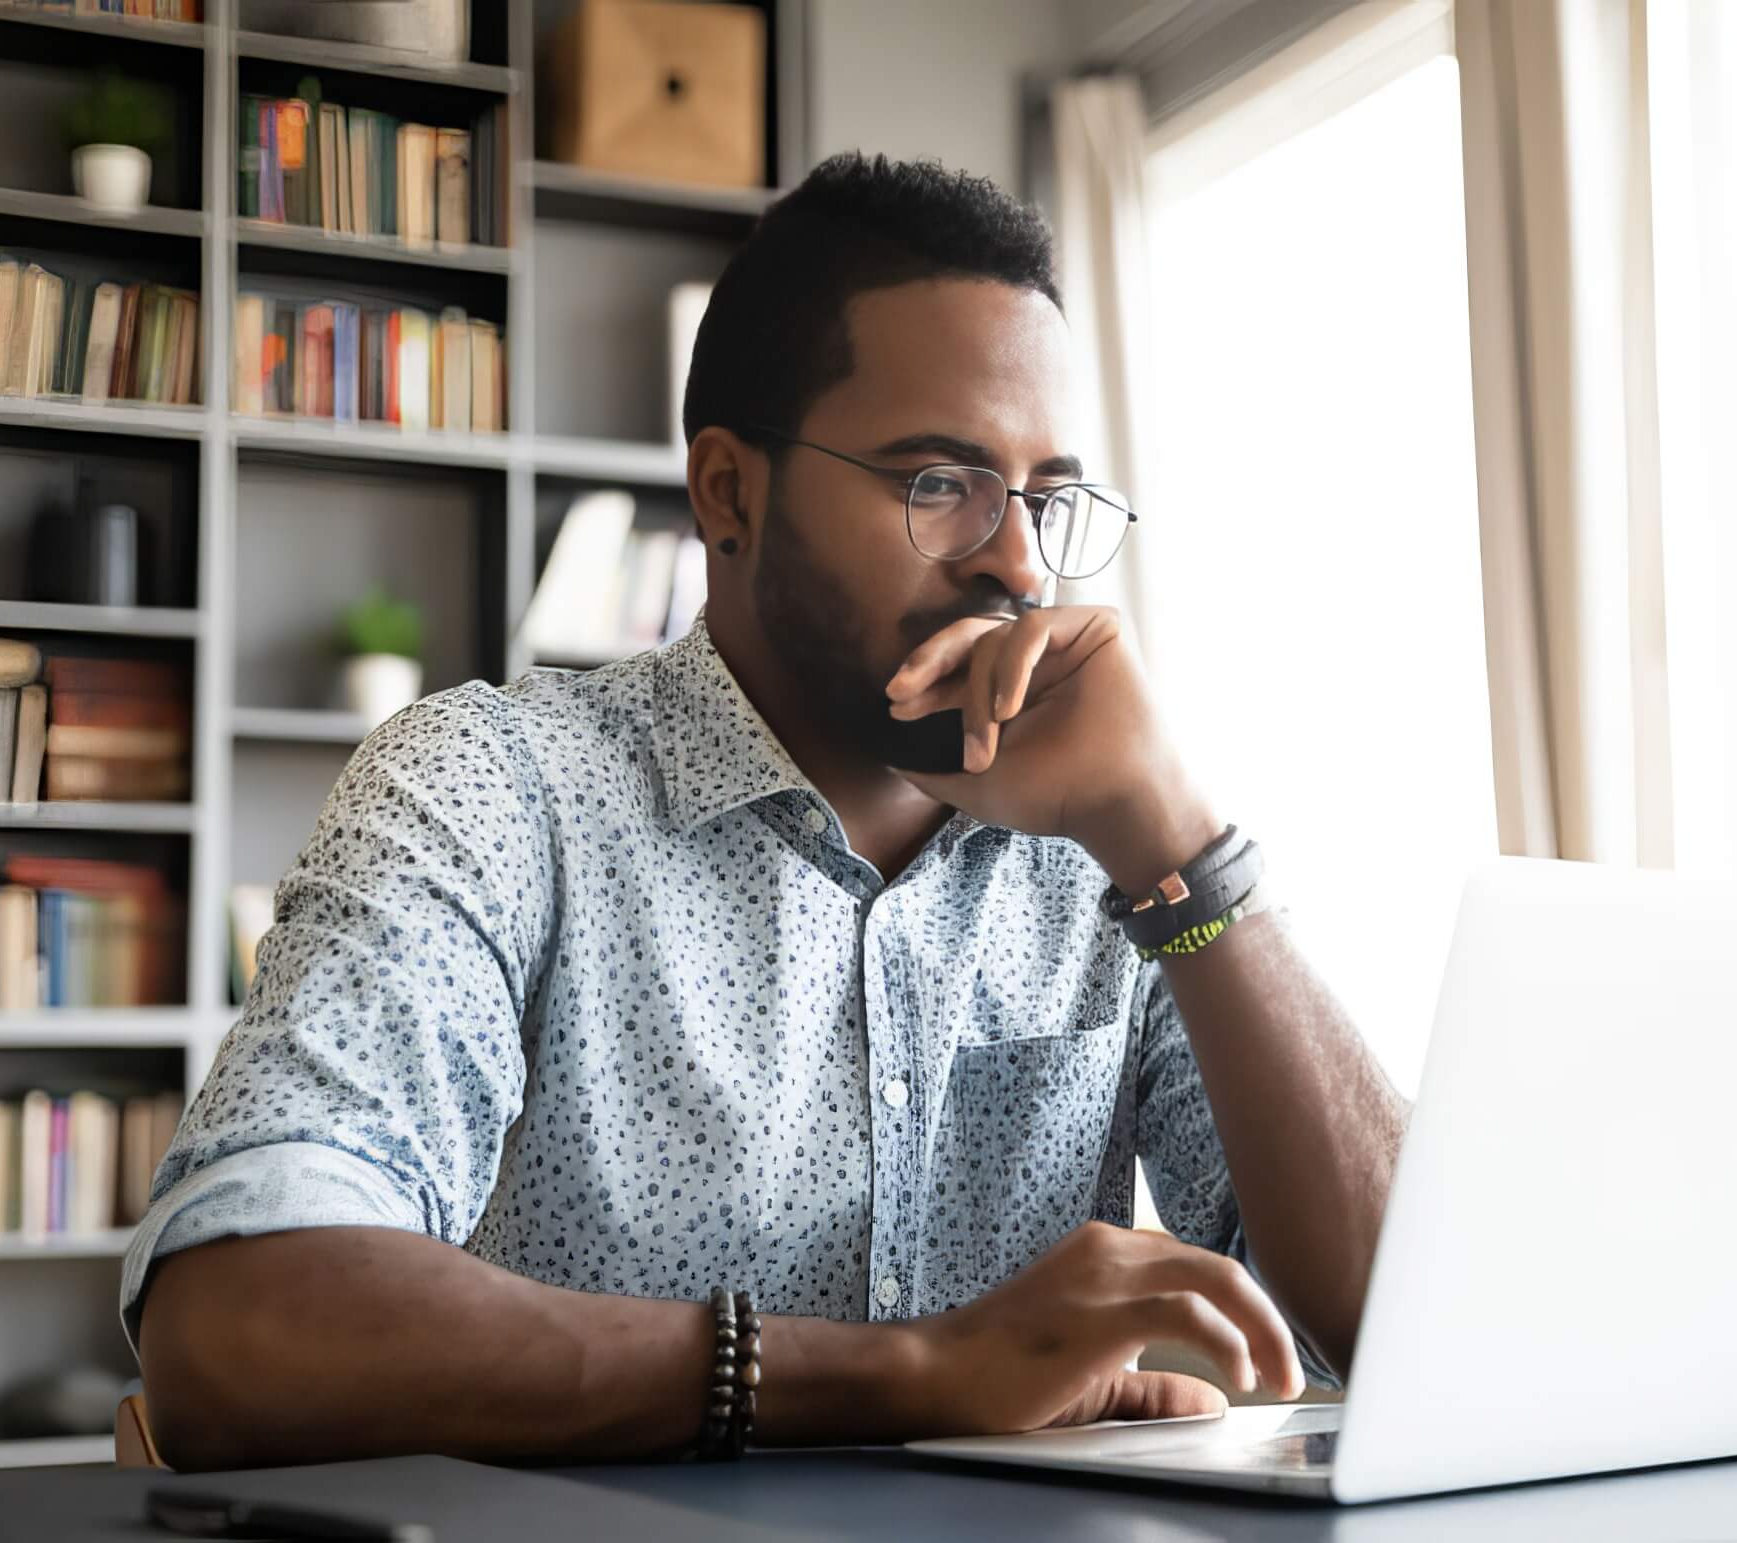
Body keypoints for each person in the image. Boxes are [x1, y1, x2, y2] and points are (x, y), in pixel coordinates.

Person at [131, 151, 1408, 1471]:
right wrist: (911, 1374)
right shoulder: (493, 788)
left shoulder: (1107, 848)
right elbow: (242, 1326)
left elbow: (1407, 1333)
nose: (1021, 562)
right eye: (938, 484)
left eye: (1043, 496)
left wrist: (1184, 855)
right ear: (730, 492)